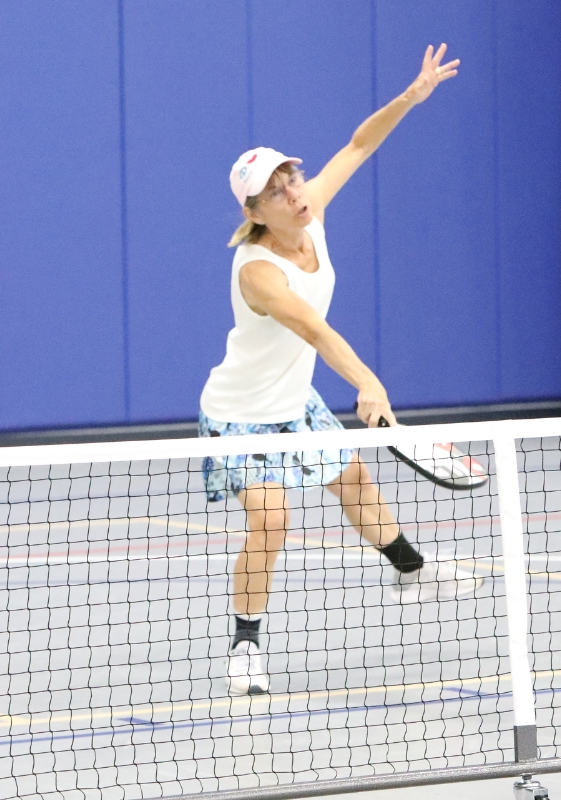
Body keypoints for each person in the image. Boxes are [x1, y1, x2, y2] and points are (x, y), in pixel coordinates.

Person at [199, 45, 482, 696]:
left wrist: (410, 98)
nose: (292, 191)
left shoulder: (312, 212)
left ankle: (410, 570)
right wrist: (367, 380)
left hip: (293, 400)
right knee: (272, 522)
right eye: (275, 190)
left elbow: (358, 144)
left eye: (291, 177)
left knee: (353, 479)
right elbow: (314, 329)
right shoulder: (259, 271)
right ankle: (245, 645)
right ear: (253, 212)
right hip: (241, 416)